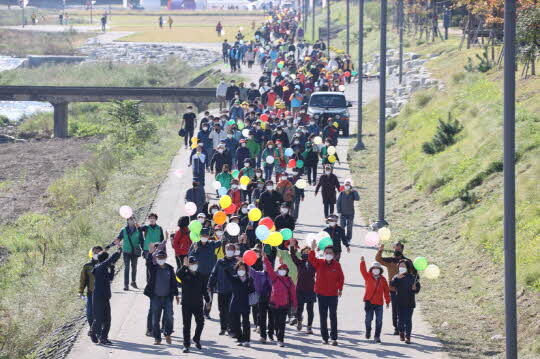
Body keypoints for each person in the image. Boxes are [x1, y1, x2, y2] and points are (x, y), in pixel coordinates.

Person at [308, 240, 344, 346]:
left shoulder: (337, 265)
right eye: (327, 252)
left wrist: (340, 289)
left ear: (334, 254)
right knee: (323, 316)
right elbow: (311, 259)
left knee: (333, 316)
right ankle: (325, 338)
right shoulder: (319, 262)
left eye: (330, 253)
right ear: (324, 254)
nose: (328, 254)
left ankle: (334, 338)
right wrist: (312, 249)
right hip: (321, 294)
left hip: (333, 294)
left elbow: (341, 278)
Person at [376, 242, 415, 335]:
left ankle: (404, 326)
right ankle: (396, 328)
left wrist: (413, 285)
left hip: (406, 291)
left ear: (402, 250)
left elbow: (414, 273)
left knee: (405, 310)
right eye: (395, 249)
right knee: (395, 310)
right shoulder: (390, 260)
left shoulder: (407, 261)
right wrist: (380, 250)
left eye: (398, 249)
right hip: (393, 290)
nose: (396, 250)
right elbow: (378, 259)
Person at [144, 247, 179, 345]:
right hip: (156, 297)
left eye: (162, 257)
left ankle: (167, 333)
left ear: (166, 257)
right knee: (155, 319)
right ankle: (157, 338)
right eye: (159, 257)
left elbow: (174, 282)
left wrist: (176, 295)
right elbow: (148, 263)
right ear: (156, 258)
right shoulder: (154, 268)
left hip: (167, 297)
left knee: (169, 317)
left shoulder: (170, 268)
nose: (161, 259)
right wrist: (150, 254)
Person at [262, 251, 297, 347]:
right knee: (274, 322)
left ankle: (280, 339)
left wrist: (294, 305)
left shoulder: (289, 281)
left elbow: (293, 294)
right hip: (273, 304)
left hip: (284, 306)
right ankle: (271, 333)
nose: (282, 270)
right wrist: (265, 258)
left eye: (284, 269)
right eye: (280, 269)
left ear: (287, 271)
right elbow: (269, 268)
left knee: (281, 323)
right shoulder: (275, 277)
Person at [90, 239, 121, 345]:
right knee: (98, 319)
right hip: (99, 297)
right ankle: (93, 332)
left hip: (105, 297)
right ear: (104, 260)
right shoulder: (100, 267)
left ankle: (103, 338)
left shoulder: (104, 269)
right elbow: (113, 258)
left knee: (107, 319)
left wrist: (112, 267)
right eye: (108, 261)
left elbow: (111, 277)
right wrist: (118, 249)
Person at [176, 256, 210, 353]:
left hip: (198, 303)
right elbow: (178, 275)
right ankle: (186, 345)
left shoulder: (201, 275)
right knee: (186, 325)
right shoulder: (184, 274)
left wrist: (208, 301)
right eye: (191, 264)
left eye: (195, 264)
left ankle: (196, 338)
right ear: (188, 265)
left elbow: (204, 289)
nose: (194, 266)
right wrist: (184, 266)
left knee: (200, 322)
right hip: (186, 303)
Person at [189, 228, 222, 318]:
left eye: (206, 235)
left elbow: (221, 242)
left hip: (210, 275)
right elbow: (189, 257)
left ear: (208, 236)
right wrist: (194, 250)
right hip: (198, 274)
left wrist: (225, 232)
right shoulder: (195, 245)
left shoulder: (211, 244)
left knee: (209, 295)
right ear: (199, 236)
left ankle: (206, 312)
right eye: (203, 235)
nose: (204, 237)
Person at [208, 243, 238, 335]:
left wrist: (228, 267)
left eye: (231, 249)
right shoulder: (219, 261)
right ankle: (223, 328)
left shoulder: (236, 262)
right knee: (222, 310)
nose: (229, 251)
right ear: (225, 250)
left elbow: (236, 274)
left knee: (230, 310)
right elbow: (214, 274)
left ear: (234, 251)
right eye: (227, 249)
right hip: (221, 289)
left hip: (231, 290)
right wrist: (210, 284)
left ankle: (230, 328)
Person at [360, 256, 390, 343]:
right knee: (368, 319)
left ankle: (377, 336)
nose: (376, 269)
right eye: (374, 268)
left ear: (380, 270)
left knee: (379, 320)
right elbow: (362, 270)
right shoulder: (367, 276)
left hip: (379, 303)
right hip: (369, 301)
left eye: (378, 268)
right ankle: (368, 330)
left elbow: (386, 291)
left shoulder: (383, 279)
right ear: (371, 269)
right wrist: (362, 262)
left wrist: (387, 301)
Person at [390, 260, 421, 344]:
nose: (401, 268)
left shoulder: (413, 277)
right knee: (400, 320)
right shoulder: (397, 276)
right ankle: (401, 333)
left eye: (403, 266)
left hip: (410, 302)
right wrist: (396, 278)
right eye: (400, 266)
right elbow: (391, 284)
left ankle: (408, 337)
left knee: (408, 320)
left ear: (407, 267)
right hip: (399, 301)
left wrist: (415, 289)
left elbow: (417, 289)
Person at [225, 261, 254, 346]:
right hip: (235, 303)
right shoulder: (233, 278)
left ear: (246, 270)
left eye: (243, 268)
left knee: (246, 322)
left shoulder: (249, 279)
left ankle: (247, 339)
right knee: (236, 323)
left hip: (245, 303)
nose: (241, 270)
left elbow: (252, 291)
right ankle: (240, 338)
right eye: (239, 268)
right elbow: (225, 270)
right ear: (237, 269)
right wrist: (233, 263)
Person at [291, 244, 316, 333]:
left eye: (308, 252)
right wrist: (292, 247)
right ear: (301, 254)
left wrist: (313, 250)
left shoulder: (314, 263)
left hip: (311, 289)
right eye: (304, 252)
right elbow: (293, 257)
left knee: (310, 309)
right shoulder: (299, 262)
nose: (306, 253)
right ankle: (299, 321)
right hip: (300, 289)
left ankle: (309, 326)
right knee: (300, 308)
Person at [248, 257, 273, 343]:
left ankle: (271, 333)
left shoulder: (273, 275)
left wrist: (266, 258)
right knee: (262, 317)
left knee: (271, 318)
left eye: (267, 264)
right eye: (264, 264)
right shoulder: (258, 274)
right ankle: (263, 336)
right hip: (261, 298)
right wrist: (244, 261)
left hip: (272, 299)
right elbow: (250, 270)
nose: (265, 265)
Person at [79, 246, 103, 335]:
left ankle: (99, 331)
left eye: (98, 252)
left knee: (100, 314)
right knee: (89, 314)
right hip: (90, 293)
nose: (96, 254)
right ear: (91, 254)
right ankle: (92, 329)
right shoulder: (87, 266)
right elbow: (83, 280)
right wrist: (80, 292)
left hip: (101, 294)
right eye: (95, 252)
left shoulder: (104, 264)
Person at [115, 217, 142, 291]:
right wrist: (117, 244)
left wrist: (144, 250)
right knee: (127, 268)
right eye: (129, 220)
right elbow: (118, 239)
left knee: (134, 267)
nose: (131, 221)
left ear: (134, 221)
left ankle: (133, 282)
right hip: (126, 251)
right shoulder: (123, 230)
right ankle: (126, 285)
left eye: (132, 219)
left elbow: (141, 240)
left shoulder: (138, 230)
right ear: (127, 221)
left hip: (134, 252)